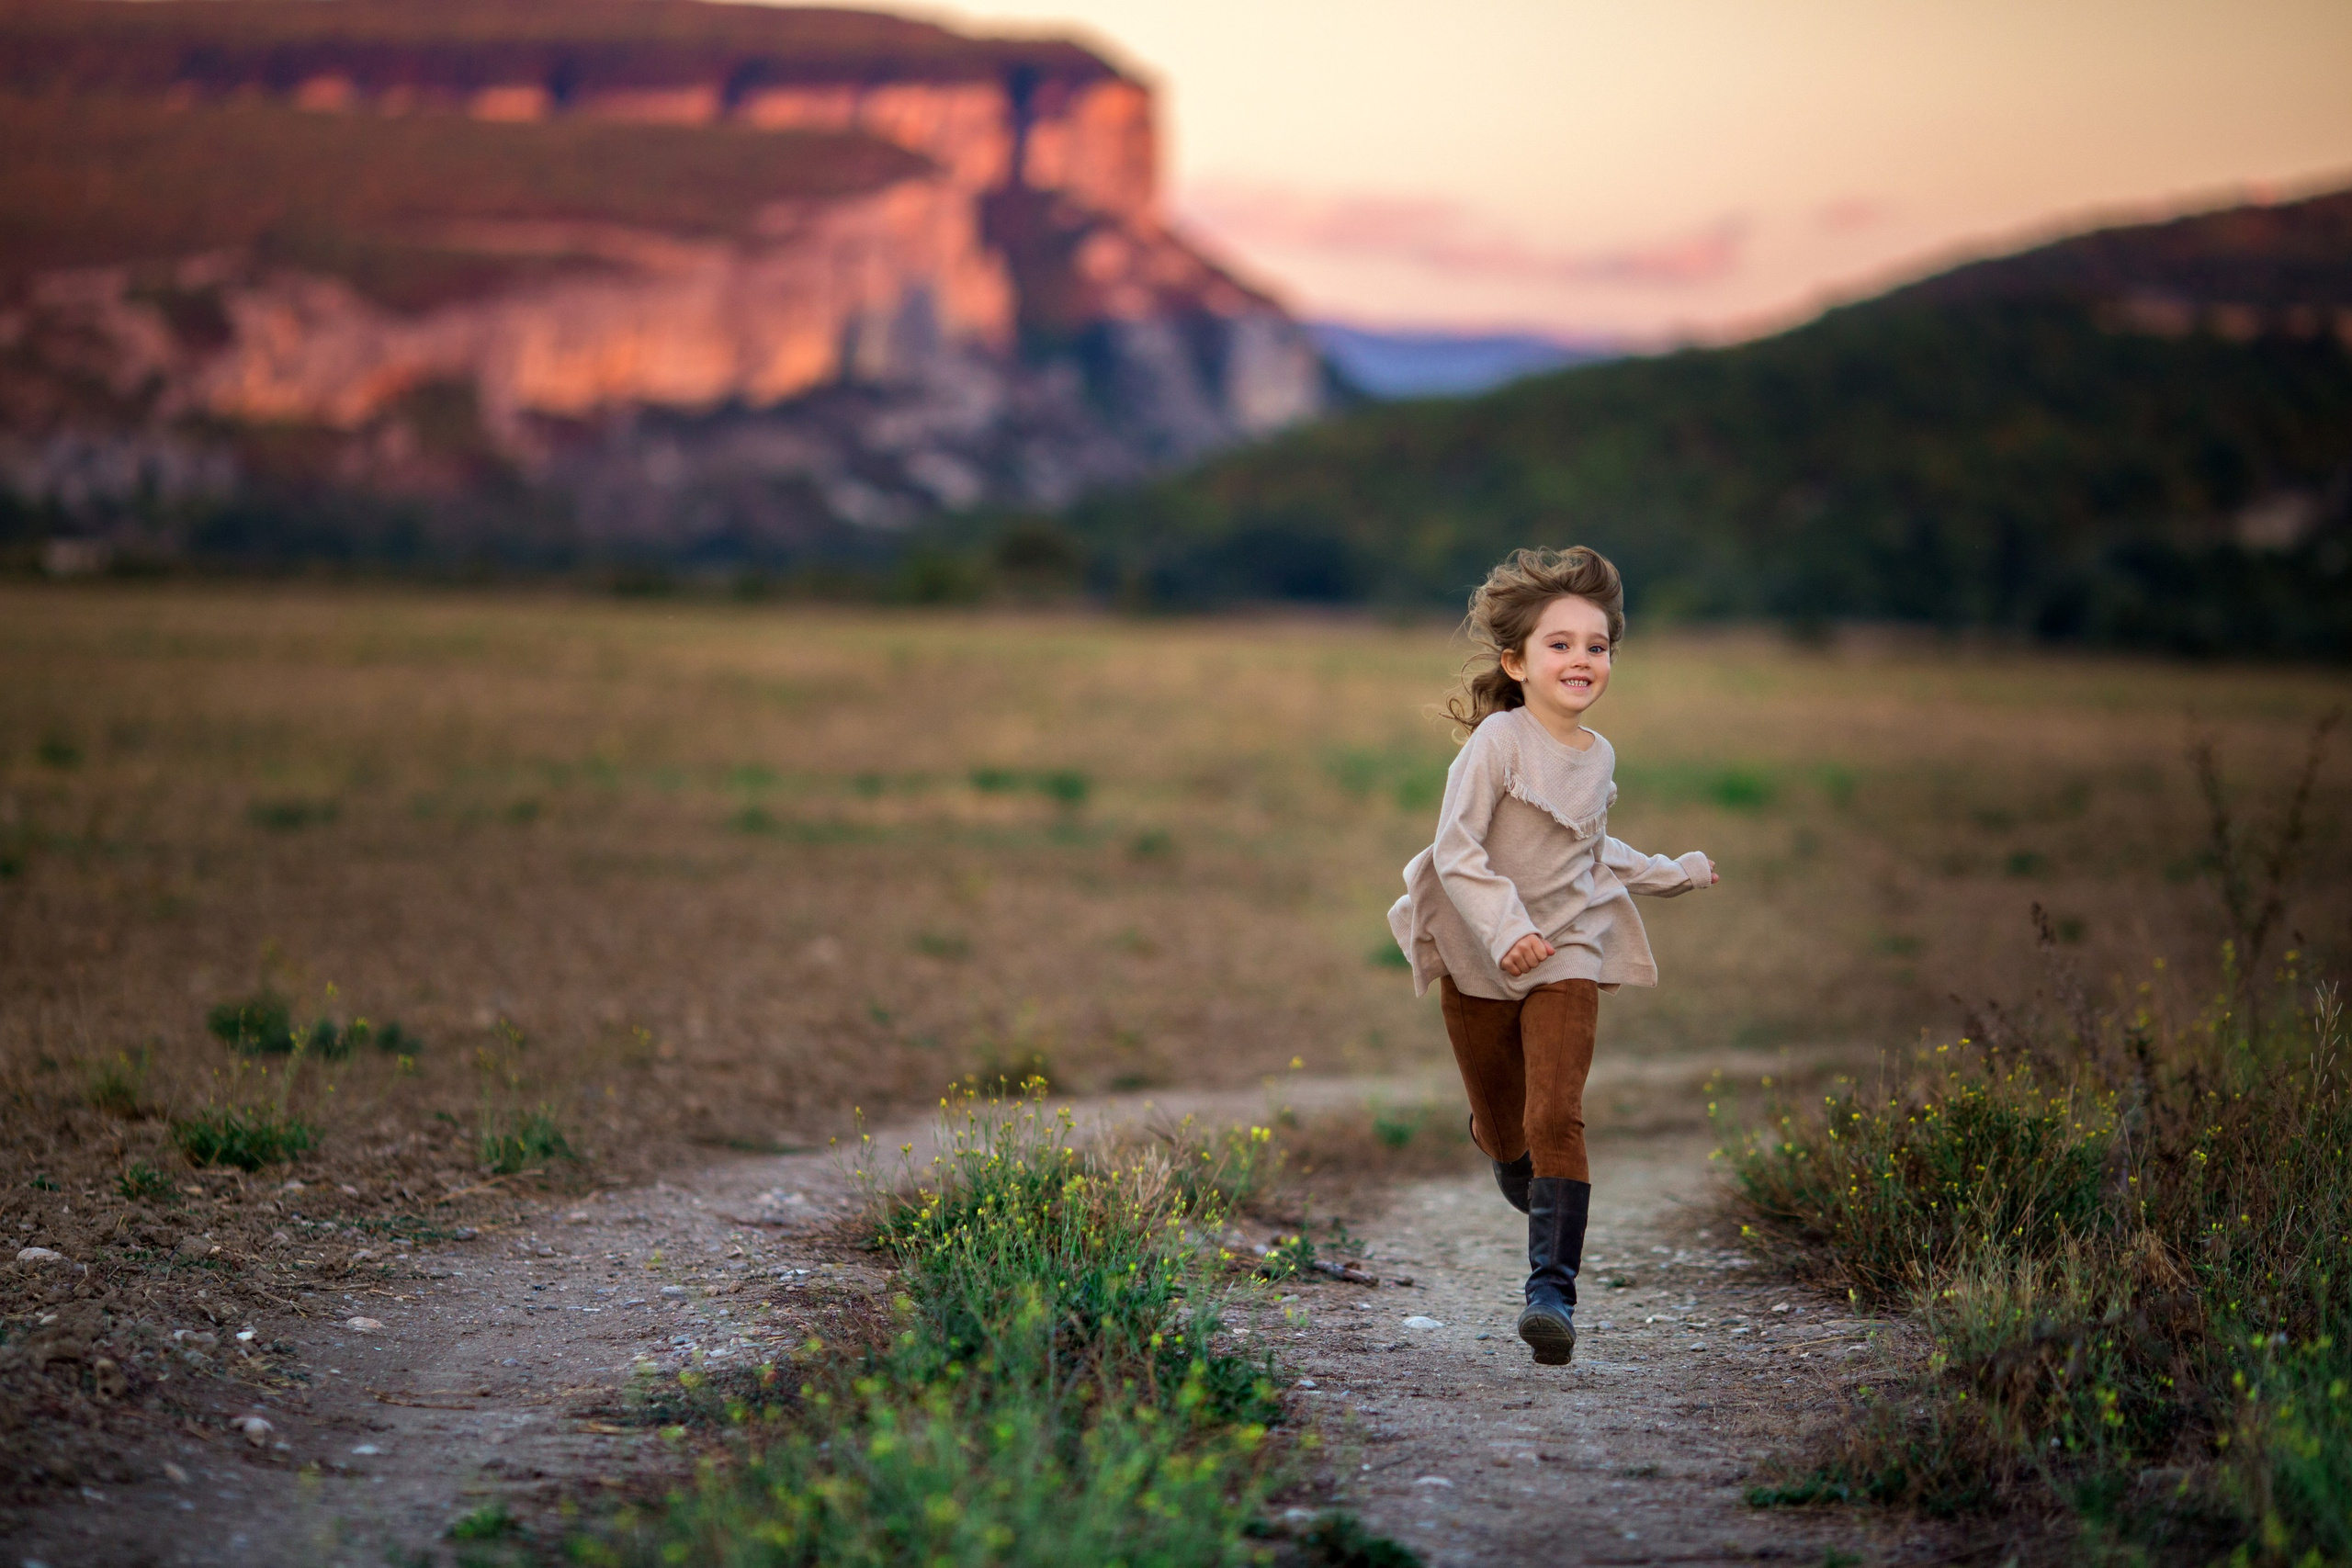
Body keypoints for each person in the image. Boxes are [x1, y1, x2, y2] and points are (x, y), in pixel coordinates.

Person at [1387, 546, 1717, 1367]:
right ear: (1517, 663)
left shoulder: (1598, 755)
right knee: (1510, 1133)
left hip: (1566, 948)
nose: (1582, 659)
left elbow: (1592, 848)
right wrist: (1505, 931)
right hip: (1479, 954)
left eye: (1597, 645)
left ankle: (1551, 1296)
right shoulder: (1497, 743)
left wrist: (1674, 872)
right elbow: (1455, 848)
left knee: (1556, 1114)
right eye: (1560, 643)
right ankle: (1501, 1148)